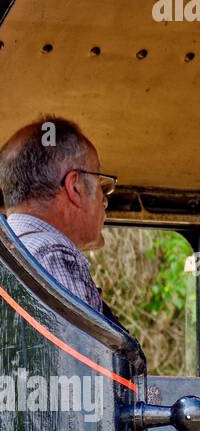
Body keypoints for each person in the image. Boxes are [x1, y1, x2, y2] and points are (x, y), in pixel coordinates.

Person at [0, 116, 120, 322]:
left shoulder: (11, 253)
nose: (104, 199)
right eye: (99, 181)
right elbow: (82, 353)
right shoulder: (53, 256)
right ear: (75, 187)